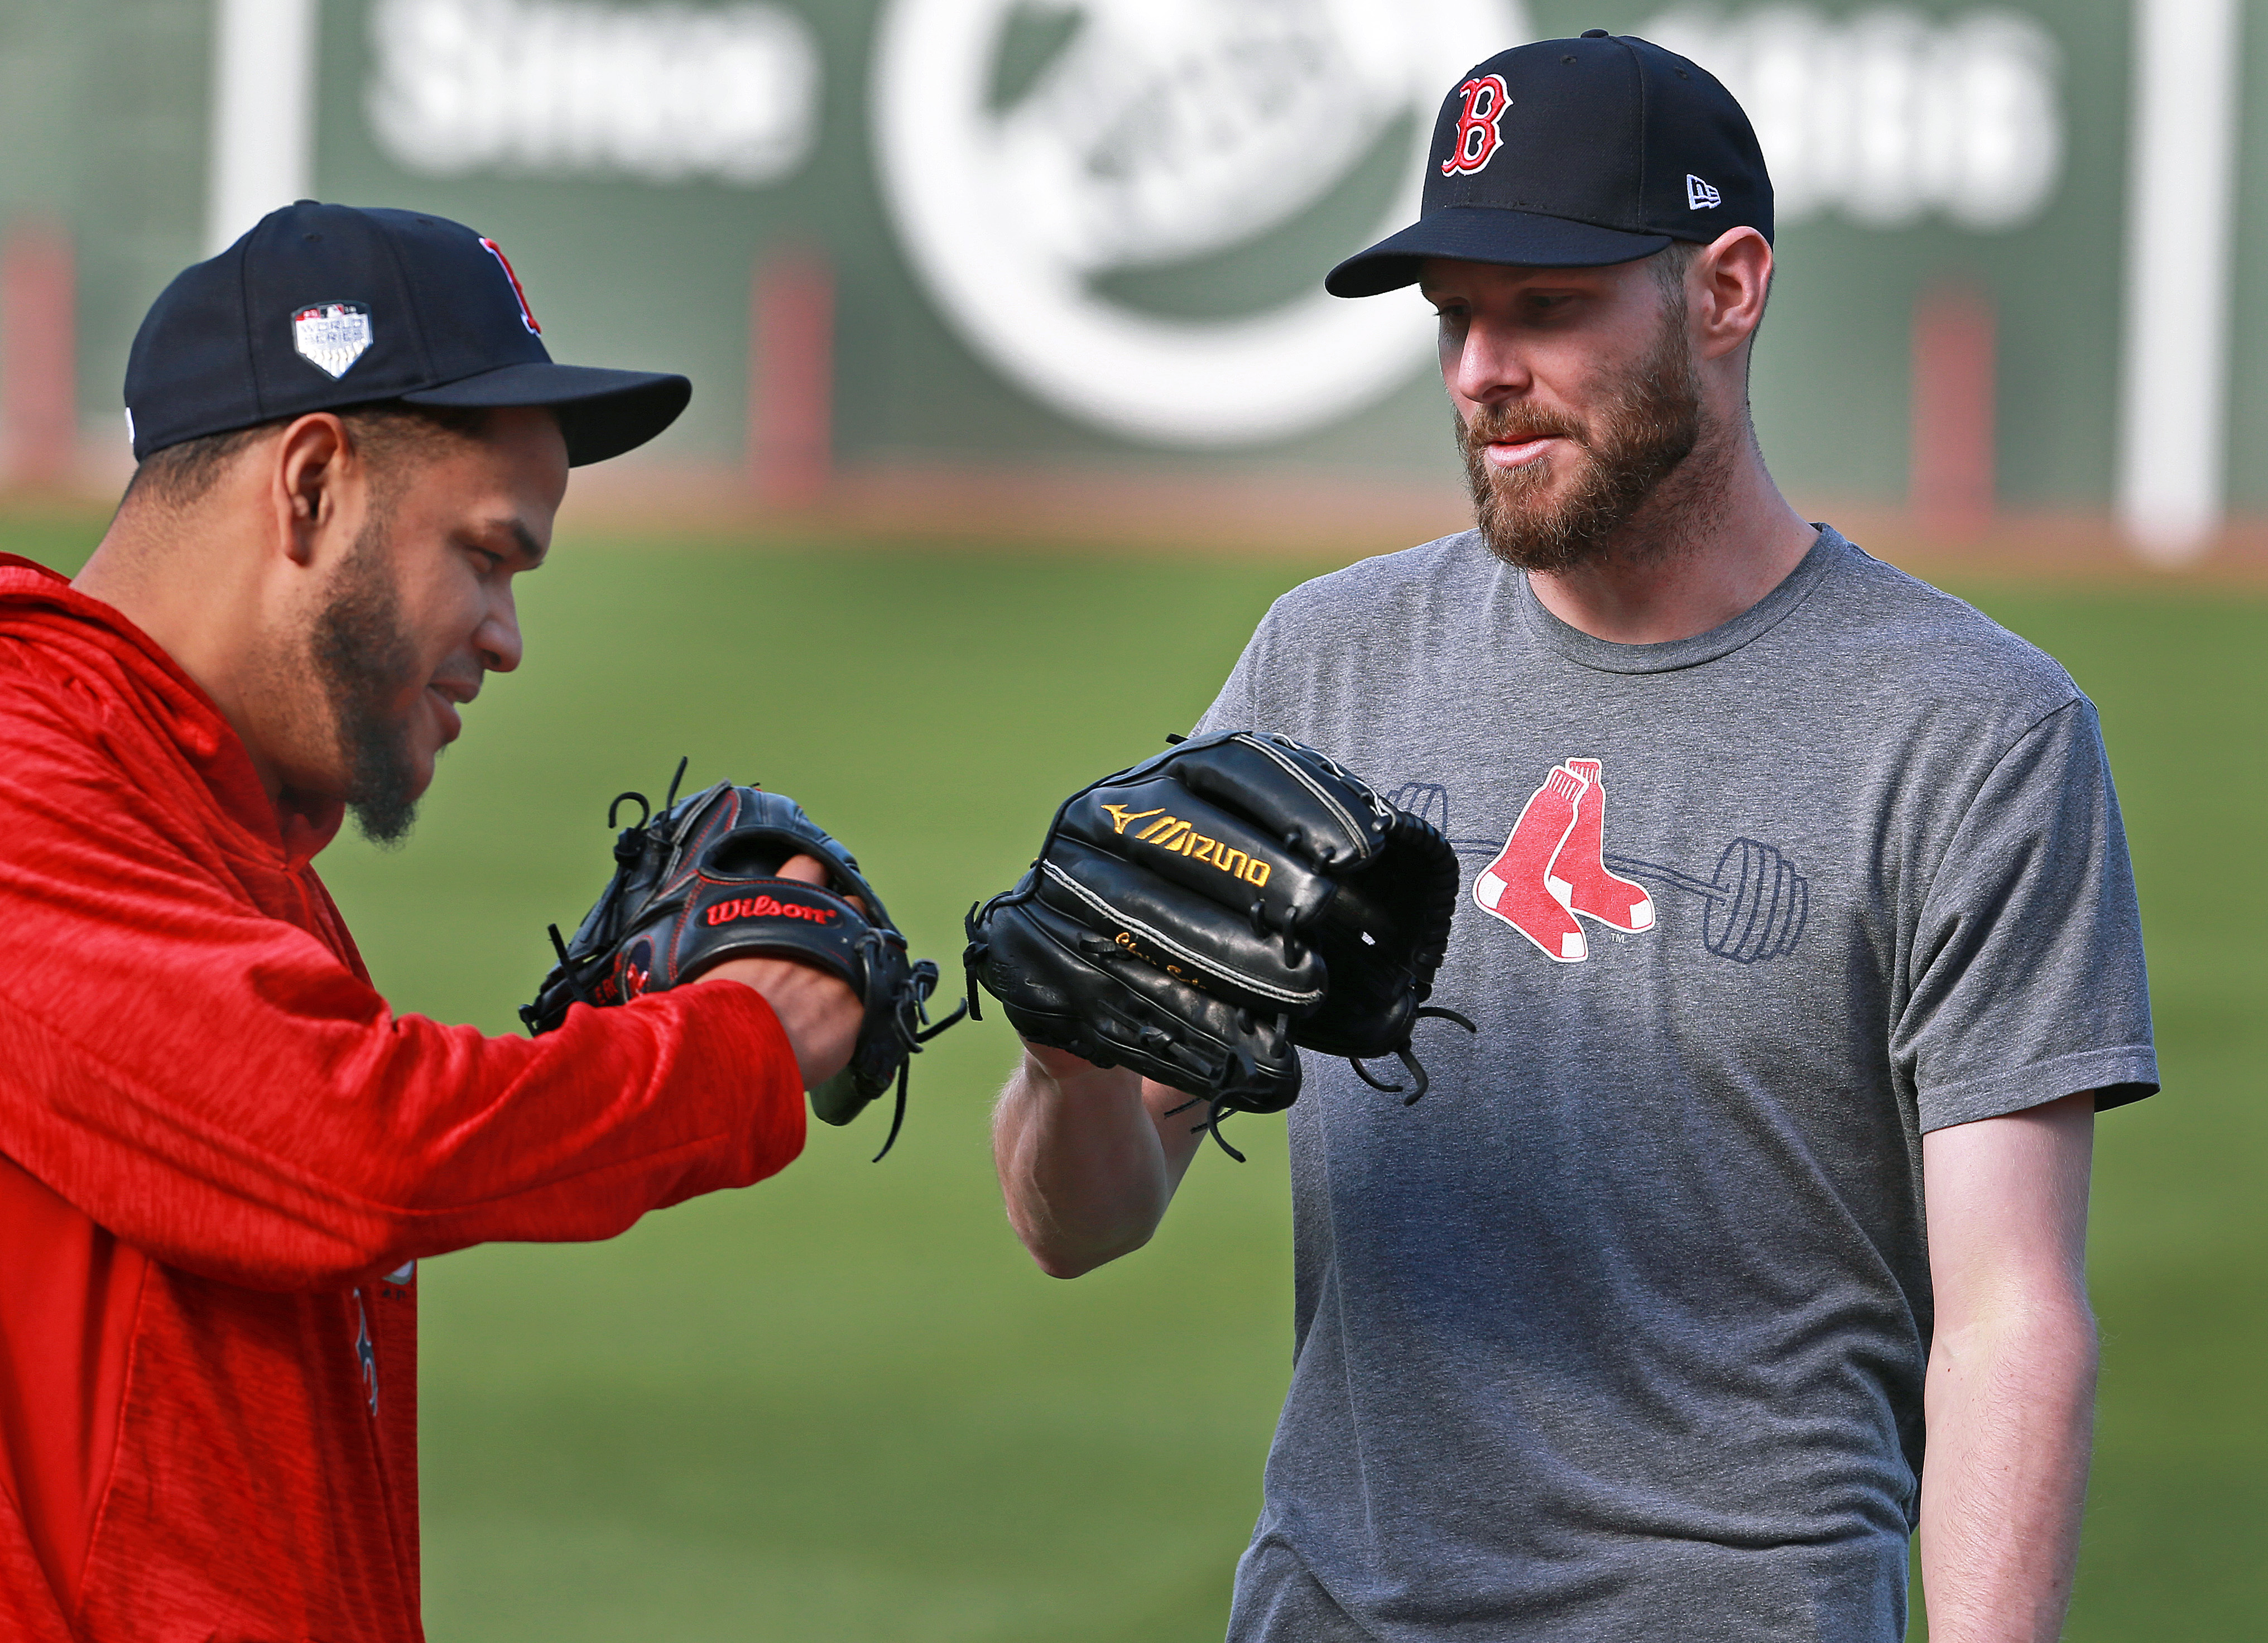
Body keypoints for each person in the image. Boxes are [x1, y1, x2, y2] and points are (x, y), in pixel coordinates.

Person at [992, 33, 2155, 1643]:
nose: (1480, 366)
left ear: (1728, 291)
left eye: (1547, 305)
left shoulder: (1971, 733)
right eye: (1457, 314)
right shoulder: (1320, 666)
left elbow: (2013, 1315)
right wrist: (1063, 1066)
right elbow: (1078, 1225)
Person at [0, 203, 864, 1641]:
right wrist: (733, 1047)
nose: (506, 635)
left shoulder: (215, 834)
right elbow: (346, 1143)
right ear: (311, 487)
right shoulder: (24, 775)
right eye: (485, 556)